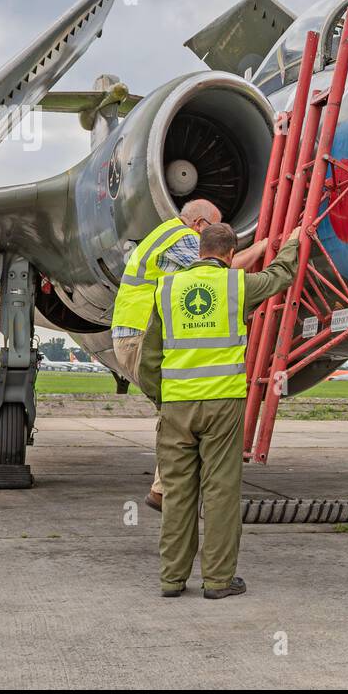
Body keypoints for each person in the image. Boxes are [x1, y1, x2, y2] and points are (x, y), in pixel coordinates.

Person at [137, 223, 299, 598]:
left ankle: (172, 580)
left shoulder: (167, 289)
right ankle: (218, 581)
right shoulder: (237, 285)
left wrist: (163, 399)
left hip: (177, 406)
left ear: (199, 251)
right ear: (229, 255)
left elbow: (149, 359)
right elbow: (281, 276)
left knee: (177, 493)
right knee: (220, 492)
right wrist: (290, 244)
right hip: (223, 404)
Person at [110, 198, 267, 512]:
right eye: (214, 229)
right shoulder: (180, 238)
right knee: (179, 410)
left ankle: (164, 490)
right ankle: (165, 489)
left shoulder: (163, 235)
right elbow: (223, 271)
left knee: (178, 408)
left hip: (134, 336)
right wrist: (262, 247)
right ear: (199, 225)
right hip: (141, 337)